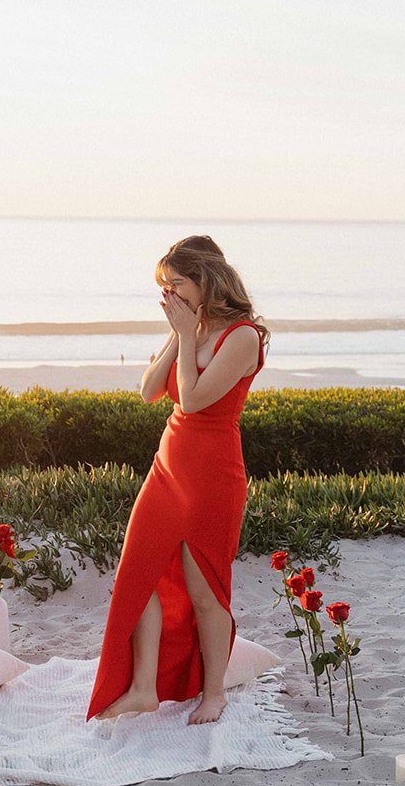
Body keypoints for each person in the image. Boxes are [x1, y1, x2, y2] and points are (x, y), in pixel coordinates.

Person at [87, 235, 269, 725]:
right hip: (168, 467)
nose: (168, 294)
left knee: (205, 590)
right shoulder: (190, 326)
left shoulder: (243, 337)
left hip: (211, 475)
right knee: (139, 573)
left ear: (205, 279)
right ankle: (143, 687)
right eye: (163, 286)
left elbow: (193, 401)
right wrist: (178, 333)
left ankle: (214, 693)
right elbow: (150, 389)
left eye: (176, 284)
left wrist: (189, 337)